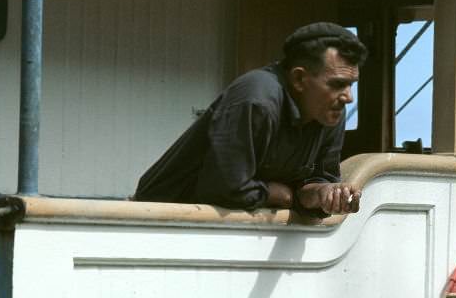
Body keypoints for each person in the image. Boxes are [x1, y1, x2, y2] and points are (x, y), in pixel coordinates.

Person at [133, 22, 367, 216]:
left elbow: (316, 181)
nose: (348, 97)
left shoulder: (329, 110)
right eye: (337, 84)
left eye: (350, 84)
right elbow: (222, 189)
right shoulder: (257, 99)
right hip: (161, 217)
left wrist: (322, 194)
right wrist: (277, 194)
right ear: (299, 79)